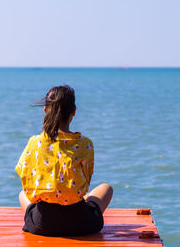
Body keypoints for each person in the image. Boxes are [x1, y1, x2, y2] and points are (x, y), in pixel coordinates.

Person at [15, 85, 113, 236]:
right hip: (82, 223)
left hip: (42, 224)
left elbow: (25, 180)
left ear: (45, 110)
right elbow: (86, 182)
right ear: (74, 111)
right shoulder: (84, 143)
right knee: (107, 188)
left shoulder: (34, 142)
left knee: (21, 194)